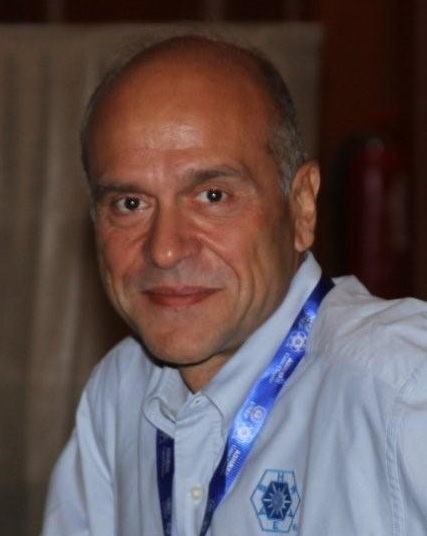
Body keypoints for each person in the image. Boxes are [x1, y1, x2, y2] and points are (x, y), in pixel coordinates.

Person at [41, 35, 427, 536]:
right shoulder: (118, 393)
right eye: (130, 204)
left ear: (302, 206)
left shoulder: (402, 387)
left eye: (213, 196)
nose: (165, 249)